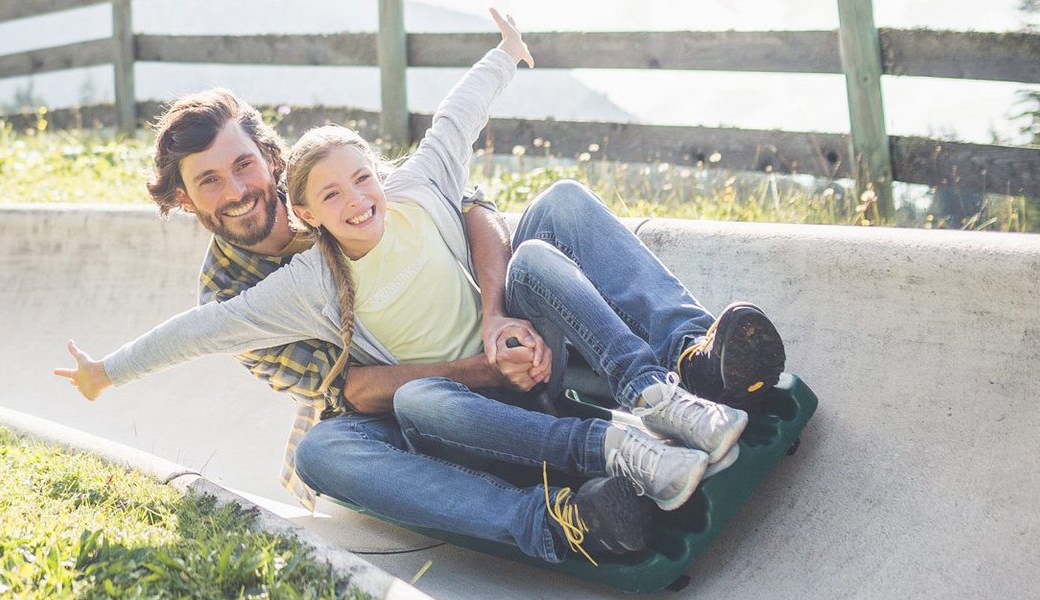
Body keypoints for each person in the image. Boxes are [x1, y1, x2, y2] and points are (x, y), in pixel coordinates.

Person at [54, 9, 786, 564]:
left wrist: (499, 315)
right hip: (425, 404)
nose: (238, 189)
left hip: (494, 327)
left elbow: (470, 197)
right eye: (210, 181)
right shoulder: (250, 297)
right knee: (325, 452)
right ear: (187, 202)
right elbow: (353, 391)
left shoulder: (344, 176)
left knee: (557, 206)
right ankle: (560, 519)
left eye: (243, 165)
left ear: (271, 163)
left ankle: (693, 357)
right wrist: (107, 373)